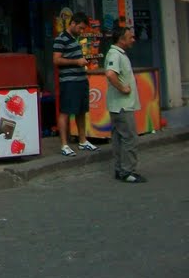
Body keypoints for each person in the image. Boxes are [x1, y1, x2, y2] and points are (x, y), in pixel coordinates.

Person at [52, 11, 98, 157]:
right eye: (80, 28)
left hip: (80, 80)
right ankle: (64, 144)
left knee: (81, 111)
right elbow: (56, 60)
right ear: (72, 23)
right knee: (65, 111)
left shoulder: (76, 39)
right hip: (68, 81)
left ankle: (83, 140)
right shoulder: (61, 39)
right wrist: (76, 62)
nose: (81, 31)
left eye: (83, 29)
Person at [104, 25, 145, 183]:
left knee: (119, 138)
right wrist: (123, 88)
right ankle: (128, 171)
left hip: (119, 105)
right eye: (130, 37)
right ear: (121, 39)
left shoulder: (119, 54)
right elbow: (110, 74)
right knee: (129, 138)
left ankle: (121, 169)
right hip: (122, 105)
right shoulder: (115, 54)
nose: (133, 40)